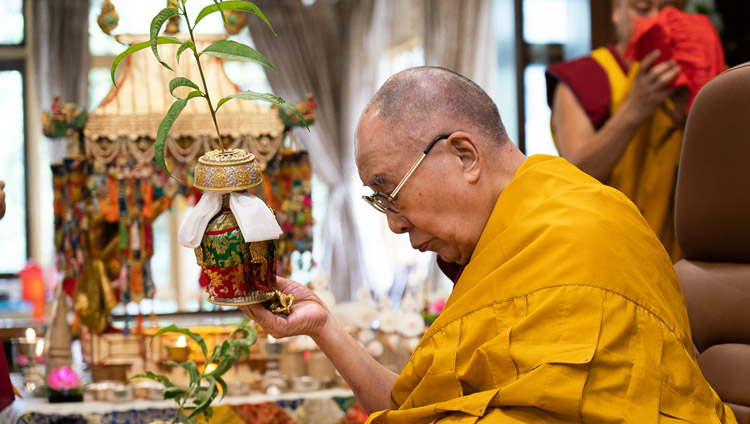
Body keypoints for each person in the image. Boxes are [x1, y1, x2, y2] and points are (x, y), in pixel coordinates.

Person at [241, 66, 735, 423]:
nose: (393, 225)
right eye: (379, 201)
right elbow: (417, 408)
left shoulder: (582, 230)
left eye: (390, 193)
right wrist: (324, 327)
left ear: (464, 155)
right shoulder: (499, 248)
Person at [545, 0, 688, 263]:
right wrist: (634, 109)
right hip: (607, 256)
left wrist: (687, 123)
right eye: (642, 9)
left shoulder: (702, 74)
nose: (655, 21)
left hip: (681, 259)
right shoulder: (584, 77)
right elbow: (574, 175)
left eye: (668, 10)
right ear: (616, 11)